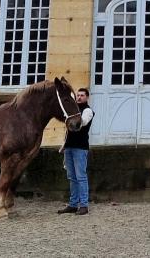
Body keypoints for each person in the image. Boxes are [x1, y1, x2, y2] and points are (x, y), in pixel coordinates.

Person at [58, 87, 94, 215]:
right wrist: (64, 145)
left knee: (81, 177)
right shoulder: (73, 110)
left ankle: (84, 205)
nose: (79, 97)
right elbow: (68, 130)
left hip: (80, 147)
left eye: (82, 95)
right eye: (78, 95)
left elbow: (81, 123)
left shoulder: (88, 111)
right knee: (71, 177)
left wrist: (71, 115)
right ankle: (73, 204)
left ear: (87, 97)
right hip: (69, 147)